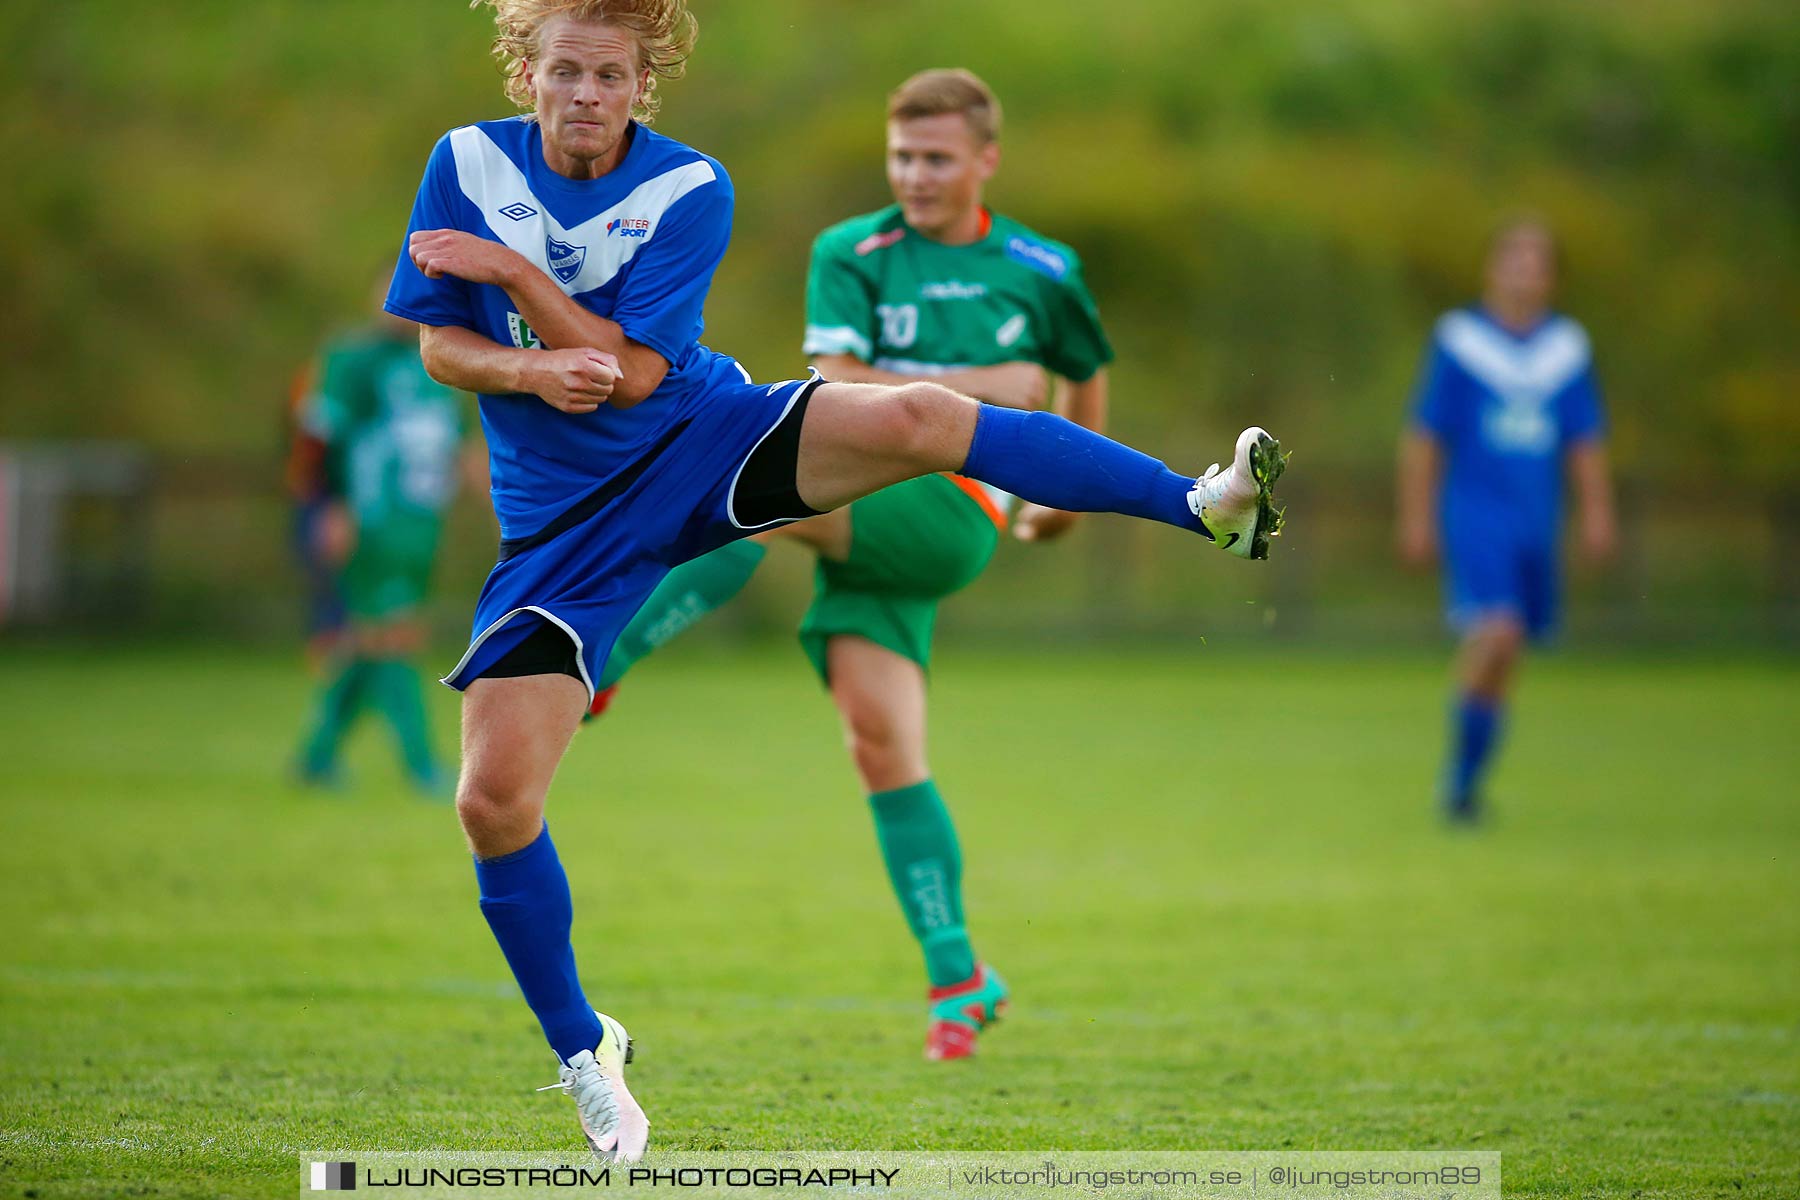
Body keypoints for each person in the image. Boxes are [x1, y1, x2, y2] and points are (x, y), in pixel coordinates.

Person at [388, 0, 1286, 1160]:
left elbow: (625, 375)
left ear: (642, 81)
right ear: (527, 70)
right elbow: (438, 344)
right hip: (562, 531)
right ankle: (584, 1050)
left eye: (610, 75)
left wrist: (515, 277)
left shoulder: (690, 186)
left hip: (698, 435)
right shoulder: (462, 164)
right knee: (491, 802)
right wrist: (517, 362)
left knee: (921, 415)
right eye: (564, 71)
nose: (586, 96)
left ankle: (1201, 505)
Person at [589, 68, 1118, 1063]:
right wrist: (986, 388)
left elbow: (1082, 373)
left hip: (949, 513)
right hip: (868, 505)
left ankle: (596, 670)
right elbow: (838, 385)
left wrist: (1062, 497)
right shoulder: (852, 252)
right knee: (884, 751)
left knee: (740, 511)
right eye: (902, 157)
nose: (915, 176)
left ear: (985, 162)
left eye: (937, 159)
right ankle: (961, 975)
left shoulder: (1043, 266)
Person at [1396, 217, 1617, 823]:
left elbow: (1584, 439)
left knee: (1509, 649)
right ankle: (1458, 785)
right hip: (1473, 511)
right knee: (1498, 631)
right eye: (1513, 257)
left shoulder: (1566, 349)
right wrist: (1416, 517)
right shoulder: (1461, 340)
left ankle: (1467, 783)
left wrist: (1597, 512)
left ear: (1552, 277)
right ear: (1492, 267)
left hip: (1534, 518)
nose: (1524, 270)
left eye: (1537, 260)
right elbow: (1425, 435)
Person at [294, 279, 471, 796]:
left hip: (419, 522)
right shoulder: (352, 359)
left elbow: (451, 442)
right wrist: (329, 507)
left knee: (373, 638)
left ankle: (317, 756)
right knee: (393, 635)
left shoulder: (442, 357)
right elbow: (319, 437)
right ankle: (422, 765)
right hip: (369, 513)